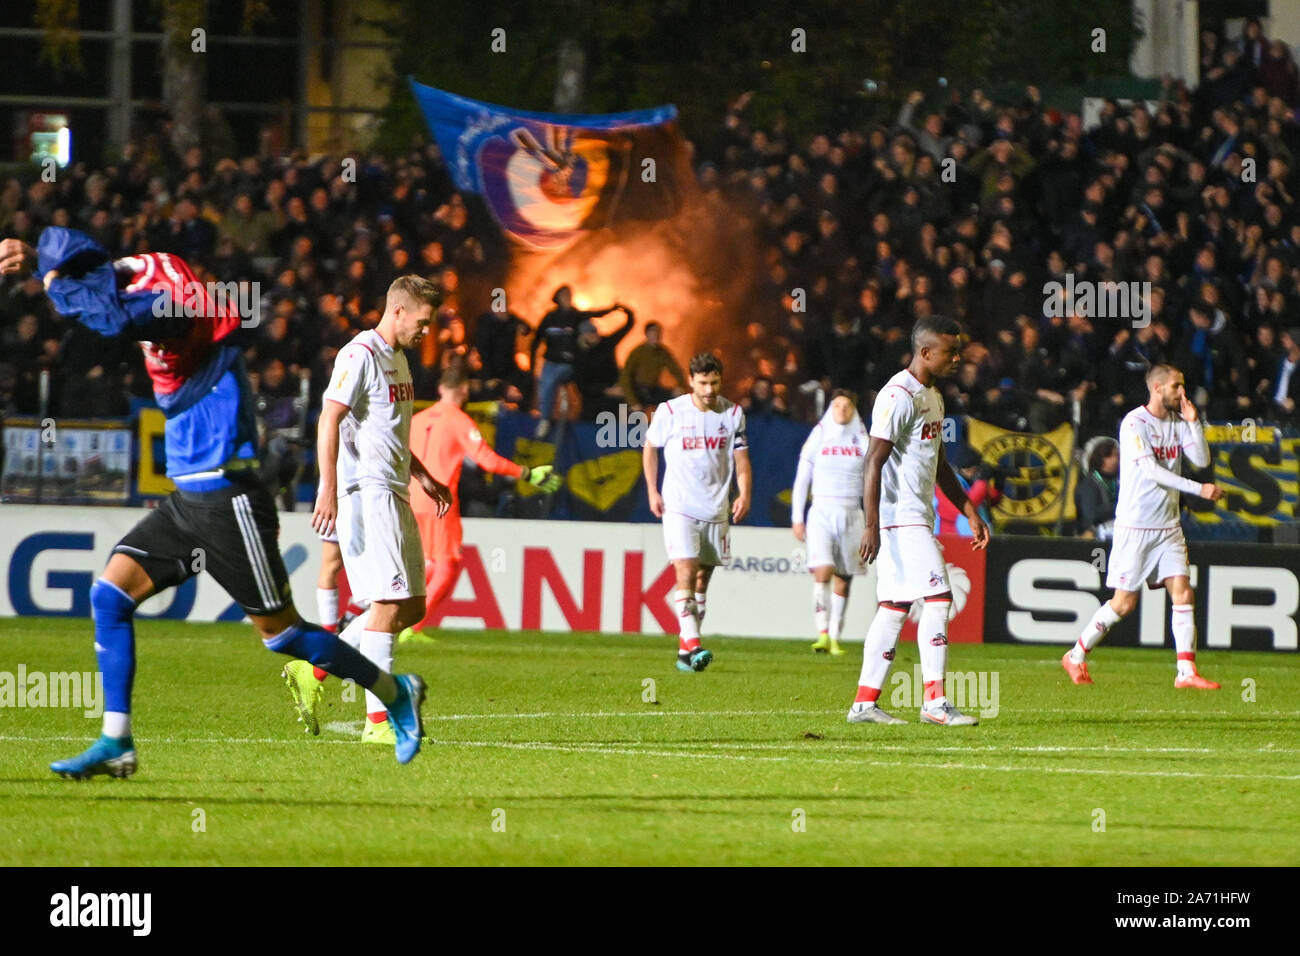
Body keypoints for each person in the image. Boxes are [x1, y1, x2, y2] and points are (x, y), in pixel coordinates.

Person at [0, 229, 432, 774]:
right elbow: (107, 288)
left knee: (284, 637)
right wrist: (45, 261)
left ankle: (395, 693)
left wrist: (50, 276)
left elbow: (112, 318)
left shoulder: (178, 312)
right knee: (109, 596)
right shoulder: (154, 279)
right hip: (188, 499)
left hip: (230, 497)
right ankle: (117, 743)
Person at [284, 275, 454, 746]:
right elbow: (329, 417)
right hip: (366, 493)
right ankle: (378, 723)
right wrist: (328, 489)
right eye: (422, 323)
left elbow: (390, 433)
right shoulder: (359, 354)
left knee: (412, 605)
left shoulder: (399, 359)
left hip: (395, 489)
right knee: (386, 604)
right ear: (398, 311)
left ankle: (314, 671)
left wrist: (422, 475)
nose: (426, 332)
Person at [849, 316, 990, 726]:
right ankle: (935, 703)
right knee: (939, 599)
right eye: (951, 351)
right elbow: (872, 463)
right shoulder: (898, 396)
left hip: (914, 516)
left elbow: (940, 463)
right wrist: (871, 525)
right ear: (926, 352)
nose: (958, 358)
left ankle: (864, 703)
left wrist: (968, 508)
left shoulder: (932, 395)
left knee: (894, 608)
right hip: (900, 517)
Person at [1062, 364, 1223, 689]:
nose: (1182, 392)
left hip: (1168, 526)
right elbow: (1150, 470)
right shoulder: (1134, 423)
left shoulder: (1179, 421)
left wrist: (1194, 425)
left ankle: (1186, 672)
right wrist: (1197, 488)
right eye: (1176, 386)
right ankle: (1076, 654)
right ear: (1158, 387)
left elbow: (1202, 461)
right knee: (1124, 602)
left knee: (1182, 590)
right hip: (1136, 526)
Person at [398, 362, 562, 643]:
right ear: (464, 389)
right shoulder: (459, 420)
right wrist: (526, 472)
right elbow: (486, 460)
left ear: (439, 388)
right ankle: (413, 627)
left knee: (427, 564)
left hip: (410, 499)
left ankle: (398, 619)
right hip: (440, 502)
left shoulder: (417, 419)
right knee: (448, 567)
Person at [643, 352, 752, 672]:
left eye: (714, 382)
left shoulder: (733, 414)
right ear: (691, 381)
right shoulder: (670, 411)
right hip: (679, 505)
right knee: (686, 570)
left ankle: (683, 652)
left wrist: (744, 493)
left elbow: (742, 459)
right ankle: (694, 644)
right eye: (703, 383)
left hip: (716, 508)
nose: (709, 389)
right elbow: (650, 448)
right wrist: (652, 490)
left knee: (703, 578)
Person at [791, 389, 868, 656]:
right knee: (822, 570)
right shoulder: (819, 436)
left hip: (851, 513)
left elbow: (873, 479)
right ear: (831, 408)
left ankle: (835, 636)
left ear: (853, 409)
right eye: (837, 405)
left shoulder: (862, 440)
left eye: (847, 406)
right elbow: (803, 478)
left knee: (844, 578)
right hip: (822, 510)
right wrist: (797, 517)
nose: (842, 410)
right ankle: (822, 631)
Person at [530, 285, 623, 437]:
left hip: (568, 363)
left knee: (551, 381)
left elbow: (595, 314)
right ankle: (544, 419)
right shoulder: (549, 317)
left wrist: (612, 309)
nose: (567, 297)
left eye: (569, 294)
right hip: (550, 361)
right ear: (558, 298)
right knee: (544, 381)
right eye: (564, 295)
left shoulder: (576, 316)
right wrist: (531, 365)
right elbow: (537, 339)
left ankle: (546, 420)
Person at [573, 308, 635, 420]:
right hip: (594, 399)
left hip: (615, 390)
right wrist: (605, 390)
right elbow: (582, 385)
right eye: (589, 333)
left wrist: (627, 312)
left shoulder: (606, 342)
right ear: (583, 336)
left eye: (594, 331)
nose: (593, 335)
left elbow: (627, 327)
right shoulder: (579, 356)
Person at [619, 321, 687, 410]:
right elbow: (625, 377)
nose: (656, 335)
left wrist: (680, 386)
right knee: (632, 418)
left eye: (658, 332)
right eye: (653, 332)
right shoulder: (637, 353)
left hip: (653, 390)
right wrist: (633, 402)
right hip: (638, 391)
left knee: (678, 401)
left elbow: (676, 370)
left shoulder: (663, 352)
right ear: (646, 334)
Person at [1074, 435, 1120, 540]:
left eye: (1117, 455)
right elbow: (1091, 514)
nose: (1116, 459)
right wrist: (1121, 506)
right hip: (1093, 538)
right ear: (1099, 458)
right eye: (1110, 456)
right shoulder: (1089, 484)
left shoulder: (1118, 482)